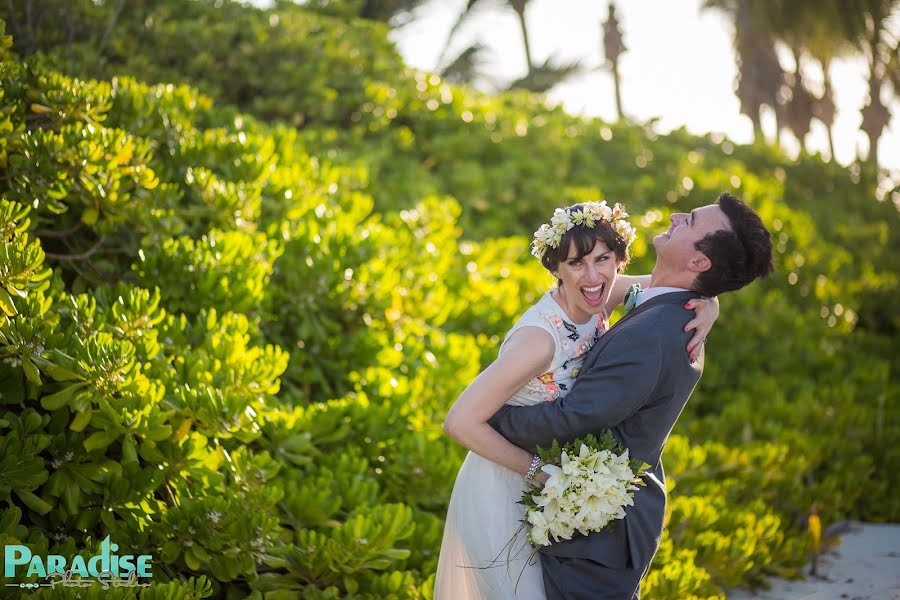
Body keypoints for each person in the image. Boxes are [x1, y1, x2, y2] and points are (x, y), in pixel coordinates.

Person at [486, 192, 774, 599]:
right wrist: (712, 299)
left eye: (690, 220)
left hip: (597, 537)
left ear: (698, 263)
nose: (676, 215)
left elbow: (572, 419)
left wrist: (494, 415)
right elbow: (616, 289)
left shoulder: (652, 333)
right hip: (603, 519)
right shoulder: (674, 307)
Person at [434, 200, 722, 599]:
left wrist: (711, 304)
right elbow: (460, 422)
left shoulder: (601, 292)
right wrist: (538, 471)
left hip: (558, 472)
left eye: (603, 259)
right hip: (503, 478)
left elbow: (669, 287)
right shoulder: (539, 340)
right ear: (554, 269)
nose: (592, 275)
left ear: (619, 260)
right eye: (574, 263)